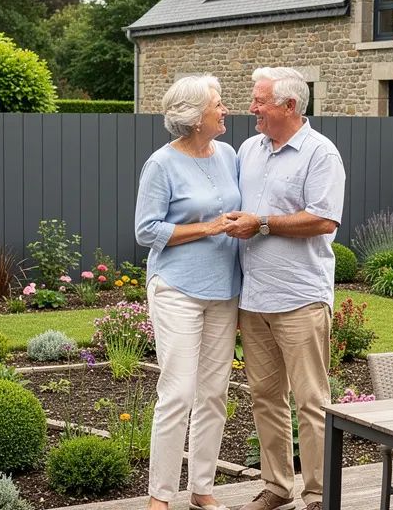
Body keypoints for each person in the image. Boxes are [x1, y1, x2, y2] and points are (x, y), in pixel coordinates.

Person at [224, 67, 347, 510]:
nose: (252, 109)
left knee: (311, 402)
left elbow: (323, 219)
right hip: (253, 298)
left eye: (260, 102)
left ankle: (317, 495)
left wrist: (261, 223)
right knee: (265, 397)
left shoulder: (320, 154)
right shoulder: (248, 149)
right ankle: (277, 487)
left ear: (290, 106)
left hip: (299, 298)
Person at [134, 75, 241, 510]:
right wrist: (208, 227)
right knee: (177, 393)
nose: (224, 110)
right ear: (196, 118)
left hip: (224, 290)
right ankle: (160, 496)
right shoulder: (161, 164)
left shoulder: (230, 154)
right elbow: (145, 230)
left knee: (214, 392)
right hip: (177, 288)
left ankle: (201, 489)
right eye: (218, 104)